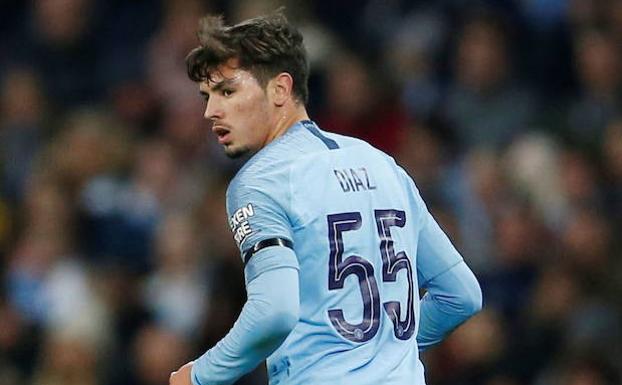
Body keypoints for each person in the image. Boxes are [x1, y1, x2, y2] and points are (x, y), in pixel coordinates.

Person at [170, 11, 482, 385]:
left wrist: (199, 376)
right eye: (207, 96)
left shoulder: (261, 181)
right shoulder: (384, 165)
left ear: (280, 89)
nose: (210, 111)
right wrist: (381, 356)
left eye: (227, 91)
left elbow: (274, 311)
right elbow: (460, 294)